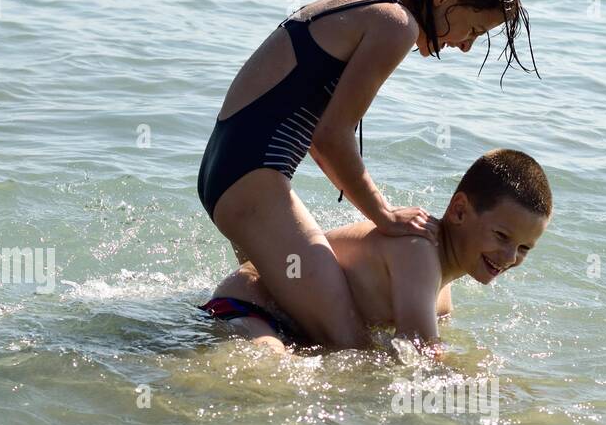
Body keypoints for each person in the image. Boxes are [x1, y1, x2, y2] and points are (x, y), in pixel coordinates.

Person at [196, 0, 536, 350]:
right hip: (253, 179)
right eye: (472, 30)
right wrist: (384, 215)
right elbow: (330, 138)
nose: (465, 45)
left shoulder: (371, 3)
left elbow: (317, 134)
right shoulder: (397, 24)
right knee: (351, 350)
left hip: (228, 170)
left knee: (283, 319)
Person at [200, 149, 552, 355]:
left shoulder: (442, 297)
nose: (509, 256)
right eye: (502, 236)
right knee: (272, 371)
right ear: (459, 211)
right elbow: (419, 350)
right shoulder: (417, 249)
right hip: (249, 304)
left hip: (291, 326)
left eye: (524, 248)